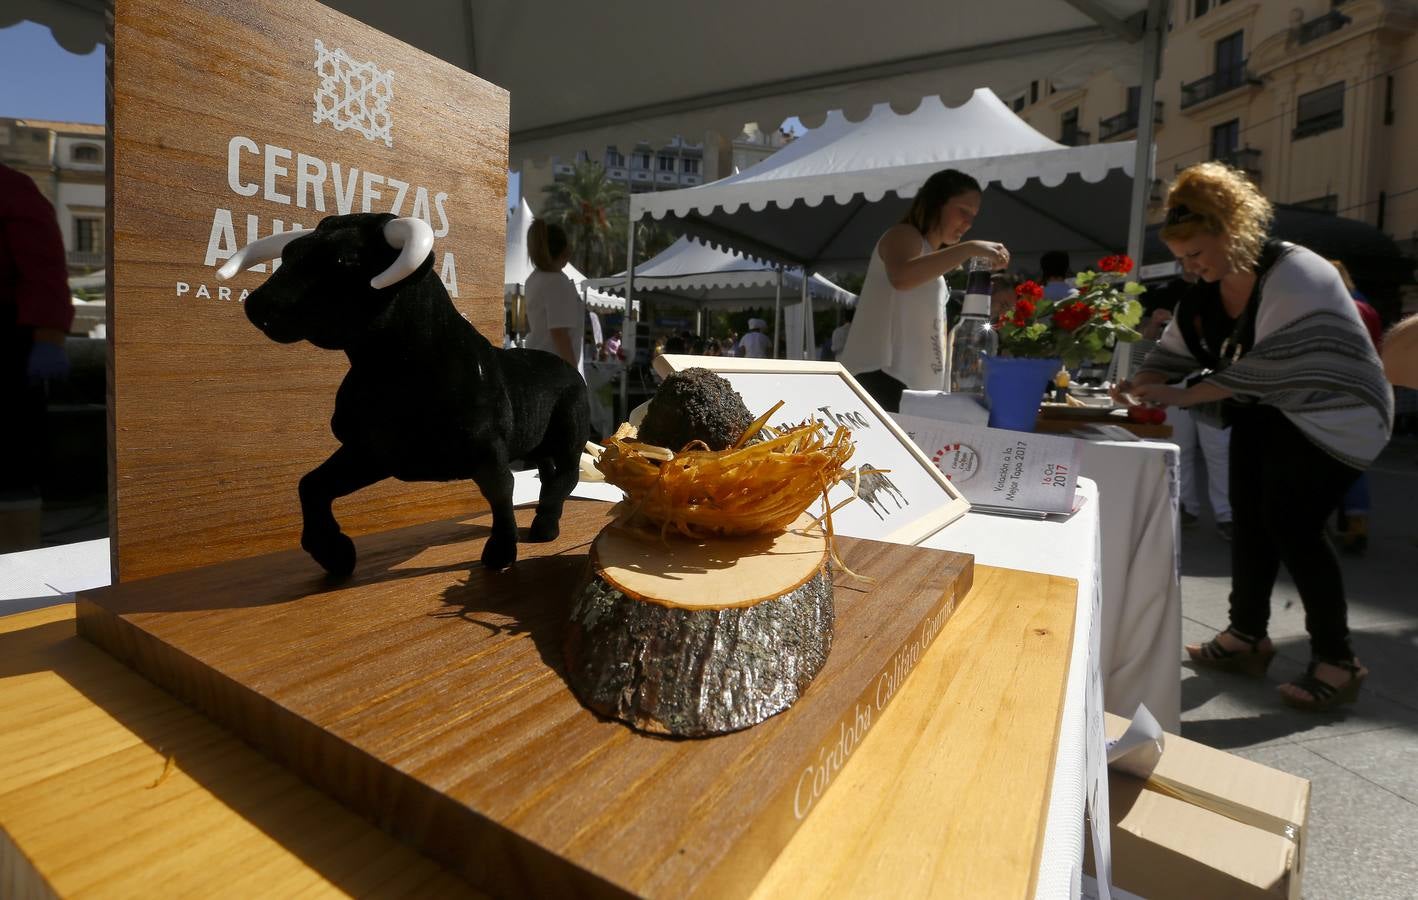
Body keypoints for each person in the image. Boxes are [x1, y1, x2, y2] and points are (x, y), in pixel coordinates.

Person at [1115, 162, 1392, 711]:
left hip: (1339, 414)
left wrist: (1182, 394)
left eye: (1196, 253)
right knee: (1249, 518)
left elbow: (1277, 366)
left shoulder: (1296, 270)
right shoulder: (1203, 291)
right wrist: (1146, 380)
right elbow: (1172, 353)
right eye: (1182, 257)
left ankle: (1338, 660)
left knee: (1293, 524)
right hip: (1267, 412)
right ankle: (1246, 637)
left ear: (1230, 230)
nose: (1189, 267)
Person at [836, 169, 1009, 412]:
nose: (969, 223)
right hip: (882, 377)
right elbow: (902, 277)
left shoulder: (929, 254)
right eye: (963, 211)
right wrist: (969, 248)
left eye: (973, 216)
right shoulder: (904, 234)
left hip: (907, 386)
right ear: (937, 202)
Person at [1, 163, 73, 552]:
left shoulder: (11, 188)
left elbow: (43, 268)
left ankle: (16, 569)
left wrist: (49, 336)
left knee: (13, 470)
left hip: (10, 342)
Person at [1329, 259, 1382, 554]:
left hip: (1336, 390)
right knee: (1355, 460)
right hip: (1367, 389)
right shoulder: (1367, 307)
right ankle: (1356, 522)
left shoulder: (1335, 307)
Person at [524, 219, 585, 377]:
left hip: (537, 365)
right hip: (554, 372)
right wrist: (574, 376)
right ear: (564, 250)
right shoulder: (557, 282)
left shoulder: (534, 279)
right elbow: (559, 334)